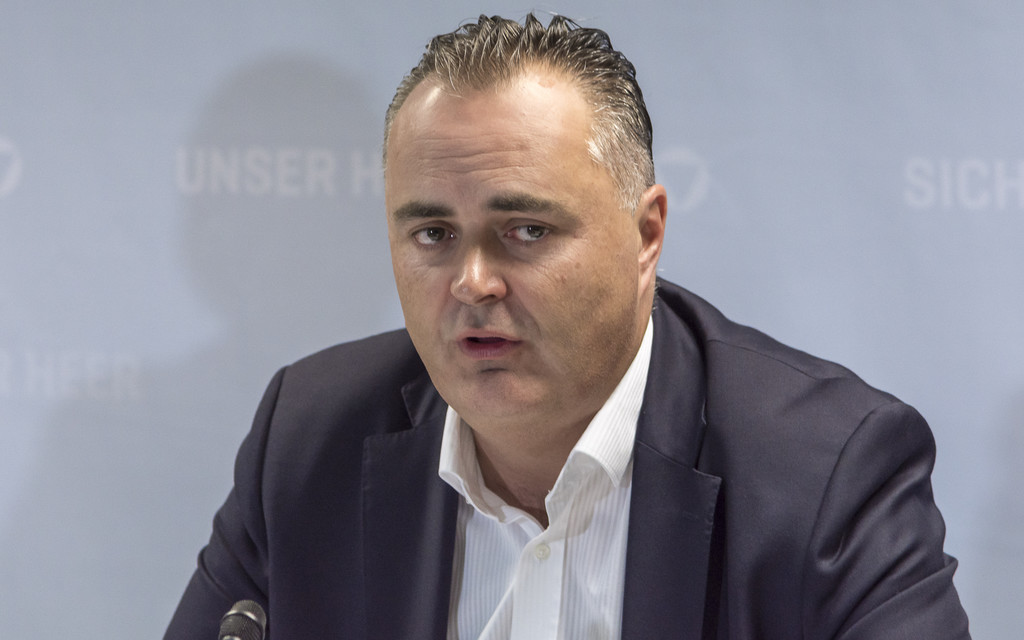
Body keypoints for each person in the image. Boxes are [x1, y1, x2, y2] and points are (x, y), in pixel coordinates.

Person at [164, 13, 970, 639]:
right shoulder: (309, 443)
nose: (473, 282)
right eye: (433, 235)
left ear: (646, 235)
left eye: (526, 231)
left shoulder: (825, 472)